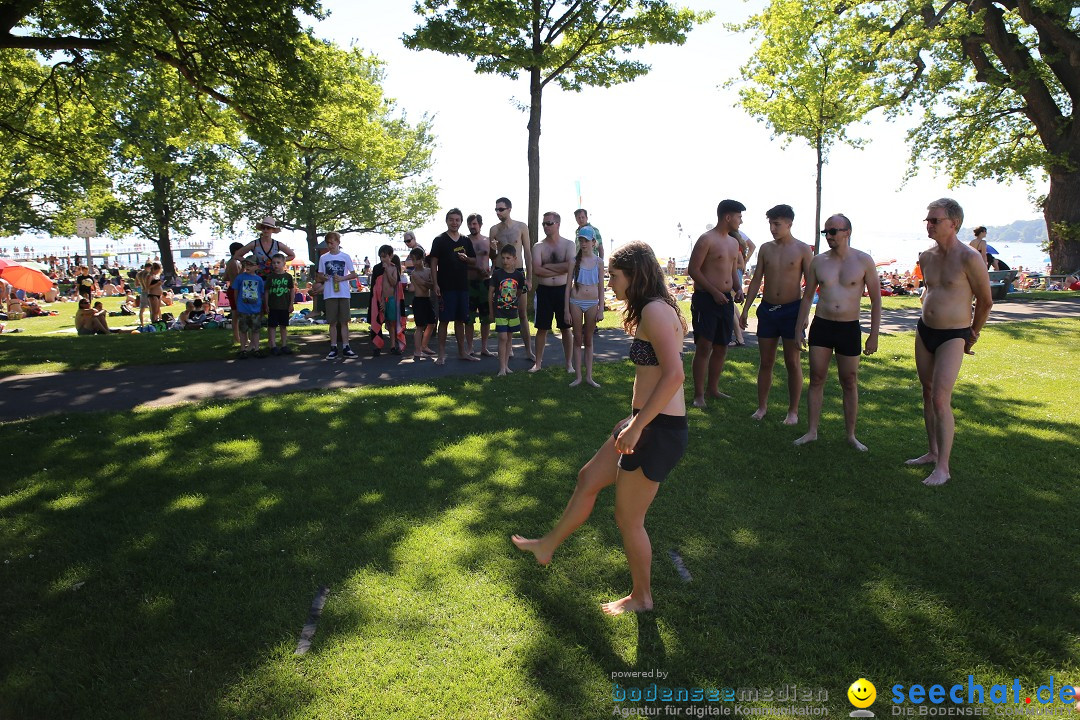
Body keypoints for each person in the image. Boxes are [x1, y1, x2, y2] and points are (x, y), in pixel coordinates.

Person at [512, 241, 688, 616]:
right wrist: (632, 418)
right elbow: (654, 376)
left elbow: (674, 376)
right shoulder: (653, 309)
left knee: (628, 519)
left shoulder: (656, 311)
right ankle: (547, 546)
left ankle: (642, 597)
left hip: (658, 429)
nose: (611, 282)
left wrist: (638, 425)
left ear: (636, 275)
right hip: (646, 421)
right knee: (588, 478)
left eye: (616, 275)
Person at [905, 198, 993, 486]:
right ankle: (932, 452)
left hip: (954, 334)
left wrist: (973, 334)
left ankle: (943, 467)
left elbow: (985, 301)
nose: (928, 224)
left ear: (953, 223)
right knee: (927, 391)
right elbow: (930, 290)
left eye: (935, 220)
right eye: (927, 220)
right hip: (925, 330)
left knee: (941, 398)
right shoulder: (926, 256)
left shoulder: (969, 257)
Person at [793, 214, 882, 450]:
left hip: (849, 327)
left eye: (833, 231)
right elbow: (808, 296)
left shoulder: (864, 261)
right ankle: (812, 431)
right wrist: (799, 326)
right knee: (817, 378)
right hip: (822, 325)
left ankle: (851, 435)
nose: (829, 236)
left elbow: (876, 300)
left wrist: (874, 334)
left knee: (849, 381)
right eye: (826, 232)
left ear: (847, 232)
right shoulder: (819, 262)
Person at [739, 204, 814, 424]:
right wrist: (745, 309)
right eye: (770, 223)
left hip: (792, 310)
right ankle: (762, 407)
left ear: (789, 224)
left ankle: (793, 411)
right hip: (768, 309)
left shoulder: (802, 249)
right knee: (766, 361)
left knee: (793, 361)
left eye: (777, 224)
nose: (773, 228)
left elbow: (810, 285)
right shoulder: (765, 248)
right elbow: (756, 280)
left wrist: (804, 315)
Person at [688, 199, 746, 407]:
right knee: (704, 346)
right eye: (739, 216)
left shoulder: (733, 242)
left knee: (721, 347)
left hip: (725, 299)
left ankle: (713, 389)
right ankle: (699, 395)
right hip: (706, 299)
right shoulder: (706, 240)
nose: (741, 221)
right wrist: (713, 292)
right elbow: (693, 270)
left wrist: (738, 288)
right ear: (727, 217)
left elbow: (732, 271)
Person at [430, 208, 479, 364]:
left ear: (461, 222)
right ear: (447, 221)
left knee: (460, 320)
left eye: (457, 220)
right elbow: (433, 263)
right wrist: (435, 283)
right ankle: (441, 355)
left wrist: (467, 259)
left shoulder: (465, 240)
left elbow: (474, 260)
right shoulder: (439, 240)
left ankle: (462, 352)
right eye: (451, 219)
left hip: (462, 287)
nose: (454, 222)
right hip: (445, 287)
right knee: (444, 321)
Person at [488, 197, 534, 361]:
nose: (498, 212)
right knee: (504, 311)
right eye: (496, 210)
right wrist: (492, 248)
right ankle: (509, 349)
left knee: (522, 313)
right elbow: (492, 256)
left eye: (501, 209)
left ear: (509, 209)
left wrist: (529, 278)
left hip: (518, 273)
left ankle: (528, 350)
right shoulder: (494, 230)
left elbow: (527, 252)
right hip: (501, 273)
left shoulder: (521, 227)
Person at [530, 211, 575, 373]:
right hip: (544, 291)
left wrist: (546, 266)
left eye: (549, 223)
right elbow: (537, 270)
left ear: (558, 224)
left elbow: (570, 266)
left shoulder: (569, 245)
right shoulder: (538, 246)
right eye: (544, 224)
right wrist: (560, 268)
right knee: (542, 328)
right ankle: (538, 363)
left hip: (563, 291)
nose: (545, 227)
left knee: (565, 327)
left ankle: (569, 364)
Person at [564, 226, 605, 387]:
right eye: (581, 240)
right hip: (576, 302)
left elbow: (601, 287)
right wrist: (566, 309)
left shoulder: (599, 262)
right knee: (577, 338)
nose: (583, 243)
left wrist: (601, 308)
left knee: (588, 340)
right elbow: (568, 286)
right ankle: (578, 377)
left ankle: (589, 376)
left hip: (592, 303)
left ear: (594, 242)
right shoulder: (574, 261)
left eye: (586, 240)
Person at [316, 231, 359, 360]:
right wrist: (324, 277)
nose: (330, 245)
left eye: (332, 242)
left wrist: (342, 278)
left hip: (343, 292)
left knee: (344, 321)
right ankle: (333, 347)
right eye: (328, 243)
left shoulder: (345, 257)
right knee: (332, 322)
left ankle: (346, 346)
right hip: (330, 293)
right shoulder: (323, 258)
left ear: (338, 242)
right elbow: (319, 275)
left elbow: (353, 274)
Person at [488, 244, 529, 376]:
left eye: (508, 258)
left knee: (509, 338)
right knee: (502, 337)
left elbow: (518, 292)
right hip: (500, 311)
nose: (505, 261)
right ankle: (501, 368)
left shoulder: (518, 276)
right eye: (503, 258)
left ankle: (506, 366)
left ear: (515, 259)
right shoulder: (497, 274)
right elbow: (490, 293)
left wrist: (512, 302)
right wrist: (491, 311)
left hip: (512, 312)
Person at [231, 216, 296, 281]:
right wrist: (250, 263)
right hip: (257, 279)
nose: (265, 230)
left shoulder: (277, 244)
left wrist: (279, 261)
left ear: (272, 230)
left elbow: (292, 255)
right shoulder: (254, 244)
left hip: (273, 278)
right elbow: (237, 256)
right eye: (263, 227)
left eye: (268, 228)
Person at [466, 213, 494, 356]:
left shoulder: (487, 241)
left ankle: (484, 347)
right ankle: (470, 347)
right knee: (469, 318)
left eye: (475, 223)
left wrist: (492, 274)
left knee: (485, 317)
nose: (472, 226)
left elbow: (496, 259)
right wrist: (476, 268)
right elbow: (462, 262)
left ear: (480, 225)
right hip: (469, 284)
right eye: (470, 224)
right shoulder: (464, 241)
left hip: (484, 284)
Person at [371, 246, 406, 356]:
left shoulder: (393, 268)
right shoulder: (377, 268)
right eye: (381, 257)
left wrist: (387, 270)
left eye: (384, 256)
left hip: (391, 299)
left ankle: (392, 346)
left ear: (390, 256)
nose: (382, 259)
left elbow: (394, 283)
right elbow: (376, 287)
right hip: (380, 299)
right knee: (378, 321)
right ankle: (377, 346)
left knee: (391, 322)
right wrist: (380, 300)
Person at [406, 247, 437, 360]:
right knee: (420, 327)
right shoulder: (414, 274)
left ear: (423, 259)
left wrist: (430, 283)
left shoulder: (428, 271)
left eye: (417, 259)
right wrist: (429, 283)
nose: (415, 262)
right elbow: (427, 286)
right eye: (413, 260)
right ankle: (417, 350)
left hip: (427, 300)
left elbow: (433, 284)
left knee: (432, 323)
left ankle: (424, 346)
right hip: (419, 301)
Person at [233, 257, 266, 358]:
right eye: (246, 264)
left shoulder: (258, 279)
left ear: (256, 266)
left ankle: (256, 348)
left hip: (255, 309)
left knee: (255, 330)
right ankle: (243, 349)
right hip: (243, 309)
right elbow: (236, 291)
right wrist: (237, 304)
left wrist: (262, 307)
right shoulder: (240, 278)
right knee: (243, 330)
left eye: (250, 265)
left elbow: (261, 294)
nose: (247, 267)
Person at [265, 252, 295, 354]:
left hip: (284, 305)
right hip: (273, 305)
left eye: (278, 262)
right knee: (272, 326)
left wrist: (291, 303)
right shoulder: (271, 277)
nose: (275, 265)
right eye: (273, 263)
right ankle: (273, 345)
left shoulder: (288, 277)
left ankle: (284, 345)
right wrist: (266, 304)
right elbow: (267, 291)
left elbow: (292, 290)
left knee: (283, 325)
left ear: (284, 263)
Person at [732, 230, 756, 346]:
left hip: (733, 276)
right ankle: (740, 329)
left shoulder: (735, 248)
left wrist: (726, 264)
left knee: (728, 305)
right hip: (734, 275)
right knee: (731, 304)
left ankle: (739, 337)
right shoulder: (736, 247)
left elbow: (741, 264)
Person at [222, 242, 244, 343]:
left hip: (232, 288)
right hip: (236, 289)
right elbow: (238, 278)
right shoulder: (235, 262)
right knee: (237, 314)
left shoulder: (230, 262)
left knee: (236, 313)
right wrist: (243, 269)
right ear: (236, 251)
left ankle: (237, 337)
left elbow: (225, 277)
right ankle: (237, 337)